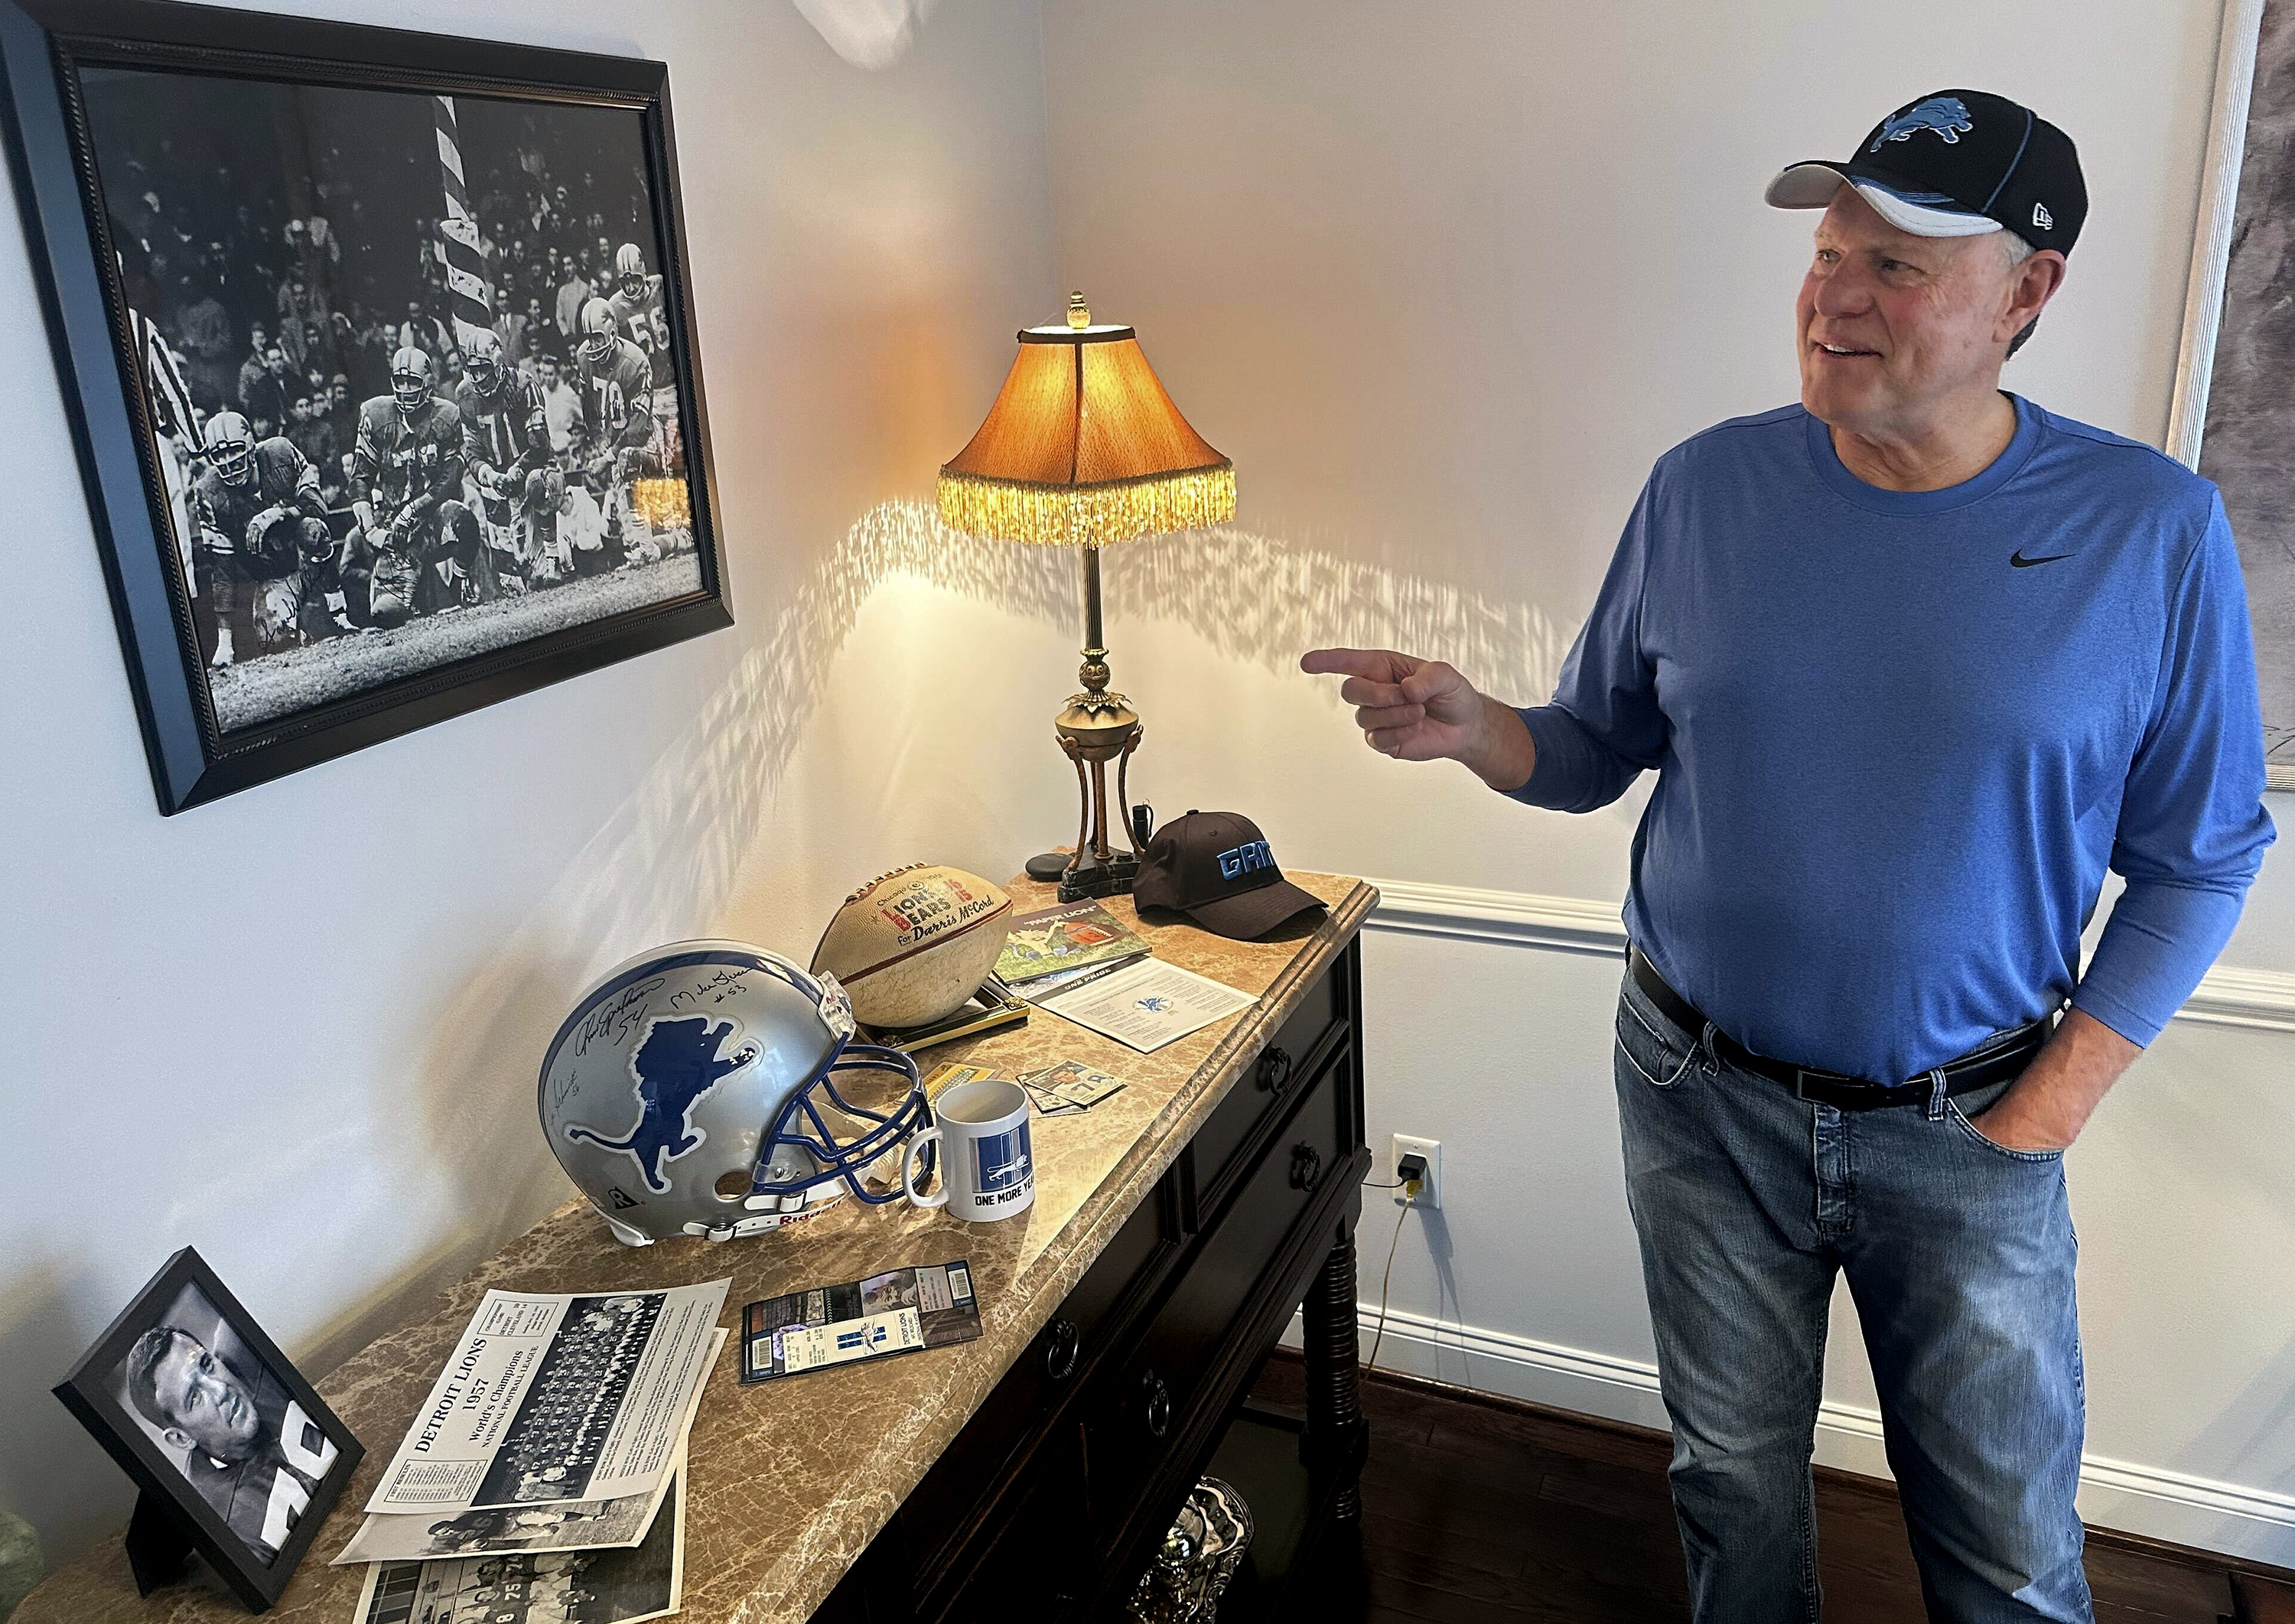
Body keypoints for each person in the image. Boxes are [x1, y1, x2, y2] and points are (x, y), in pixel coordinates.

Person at [1303, 89, 2274, 1621]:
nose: (1835, 294)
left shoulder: (2148, 531)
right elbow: (1592, 748)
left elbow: (2204, 855)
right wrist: (1473, 722)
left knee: (2008, 1550)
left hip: (1971, 1128)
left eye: (1896, 263)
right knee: (1730, 1488)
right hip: (1698, 1100)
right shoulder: (1707, 487)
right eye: (1828, 253)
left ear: (2030, 290)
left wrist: (2042, 1113)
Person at [122, 1325, 337, 1565]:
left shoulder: (242, 1353)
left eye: (206, 1364)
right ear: (181, 1438)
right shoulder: (223, 1520)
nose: (221, 1389)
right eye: (195, 1397)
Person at [190, 411, 340, 665]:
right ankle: (296, 628)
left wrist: (276, 513)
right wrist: (224, 641)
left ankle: (339, 612)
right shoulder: (209, 491)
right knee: (274, 640)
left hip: (306, 560)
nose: (229, 464)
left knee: (314, 530)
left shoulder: (280, 452)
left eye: (235, 453)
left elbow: (318, 508)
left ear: (250, 446)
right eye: (220, 457)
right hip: (270, 575)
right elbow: (222, 571)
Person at [346, 347, 484, 623]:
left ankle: (460, 586)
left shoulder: (447, 416)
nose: (406, 389)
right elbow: (360, 476)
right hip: (394, 530)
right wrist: (370, 528)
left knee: (465, 523)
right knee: (387, 613)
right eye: (400, 382)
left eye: (412, 382)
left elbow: (449, 481)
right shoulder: (376, 415)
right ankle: (413, 596)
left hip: (431, 519)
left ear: (428, 383)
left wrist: (412, 512)